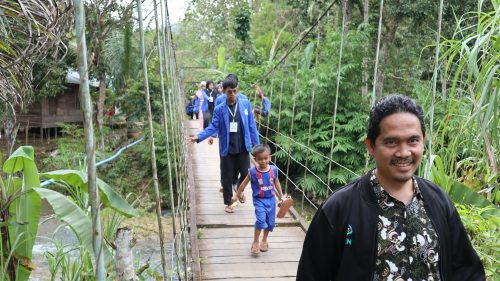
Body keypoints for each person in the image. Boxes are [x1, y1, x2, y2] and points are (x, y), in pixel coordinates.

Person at [296, 95, 485, 281]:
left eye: (413, 140)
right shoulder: (338, 208)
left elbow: (467, 271)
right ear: (370, 146)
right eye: (391, 142)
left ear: (423, 141)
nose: (403, 152)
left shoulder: (439, 201)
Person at [190, 75, 260, 213]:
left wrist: (258, 147)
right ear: (224, 91)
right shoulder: (220, 108)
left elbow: (251, 126)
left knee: (247, 173)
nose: (232, 94)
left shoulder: (245, 103)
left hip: (243, 146)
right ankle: (229, 202)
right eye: (229, 92)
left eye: (234, 91)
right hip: (227, 147)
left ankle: (238, 190)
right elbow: (213, 126)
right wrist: (199, 137)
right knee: (227, 177)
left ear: (237, 89)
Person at [232, 144, 285, 254]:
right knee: (261, 220)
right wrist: (237, 195)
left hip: (271, 200)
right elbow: (243, 184)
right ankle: (255, 241)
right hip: (259, 200)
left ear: (269, 157)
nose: (263, 161)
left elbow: (276, 182)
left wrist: (281, 195)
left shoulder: (274, 170)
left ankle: (264, 240)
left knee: (270, 223)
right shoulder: (253, 172)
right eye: (260, 159)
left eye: (265, 158)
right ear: (255, 159)